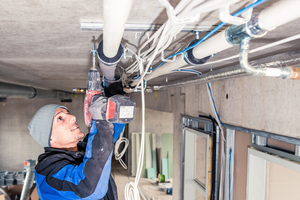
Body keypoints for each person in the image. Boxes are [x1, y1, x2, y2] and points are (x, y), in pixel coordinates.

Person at [28, 95, 125, 199]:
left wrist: (113, 91)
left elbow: (107, 134)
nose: (73, 117)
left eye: (68, 113)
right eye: (60, 118)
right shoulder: (48, 172)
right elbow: (89, 188)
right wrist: (100, 121)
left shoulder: (81, 151)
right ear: (50, 138)